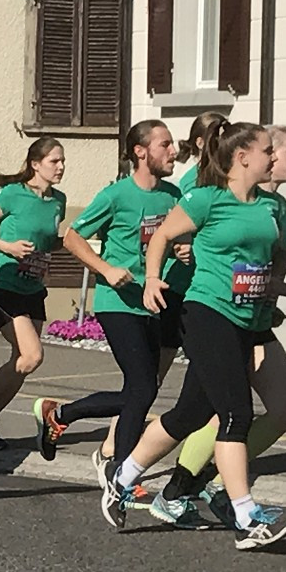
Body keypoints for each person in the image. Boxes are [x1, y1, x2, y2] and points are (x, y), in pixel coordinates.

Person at [108, 120, 286, 550]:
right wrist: (153, 279)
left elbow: (276, 262)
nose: (273, 157)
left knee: (189, 415)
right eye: (268, 150)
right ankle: (247, 517)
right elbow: (161, 238)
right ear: (242, 156)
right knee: (236, 415)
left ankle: (123, 475)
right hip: (208, 313)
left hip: (252, 319)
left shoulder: (272, 208)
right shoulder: (206, 199)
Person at [148, 125, 286, 528]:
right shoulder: (222, 198)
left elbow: (267, 269)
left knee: (281, 410)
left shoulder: (272, 208)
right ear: (265, 156)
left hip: (255, 319)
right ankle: (179, 487)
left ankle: (211, 483)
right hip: (218, 316)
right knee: (220, 411)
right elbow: (192, 236)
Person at [48, 121, 185, 478]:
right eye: (165, 145)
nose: (174, 152)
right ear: (141, 151)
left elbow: (177, 240)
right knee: (142, 388)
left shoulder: (172, 196)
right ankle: (121, 472)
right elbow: (72, 237)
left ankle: (61, 415)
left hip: (152, 303)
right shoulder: (117, 195)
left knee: (141, 390)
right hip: (117, 302)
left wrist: (185, 250)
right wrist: (106, 269)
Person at [0, 137, 66, 452]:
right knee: (31, 355)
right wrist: (8, 247)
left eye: (63, 162)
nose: (61, 167)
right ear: (36, 164)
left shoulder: (58, 200)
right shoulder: (12, 194)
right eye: (54, 161)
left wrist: (74, 245)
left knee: (22, 361)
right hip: (4, 284)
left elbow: (48, 242)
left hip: (33, 288)